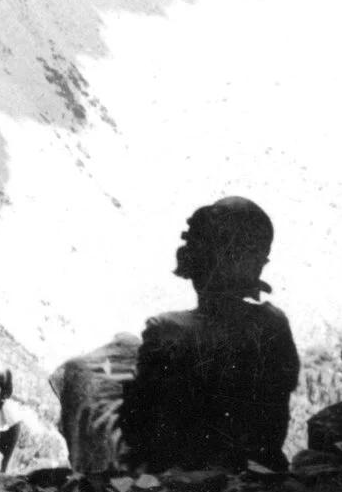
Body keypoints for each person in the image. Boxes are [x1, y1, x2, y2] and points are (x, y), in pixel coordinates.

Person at [119, 197, 302, 472]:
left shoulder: (165, 330)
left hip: (177, 476)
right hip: (261, 470)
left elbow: (138, 430)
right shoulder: (275, 324)